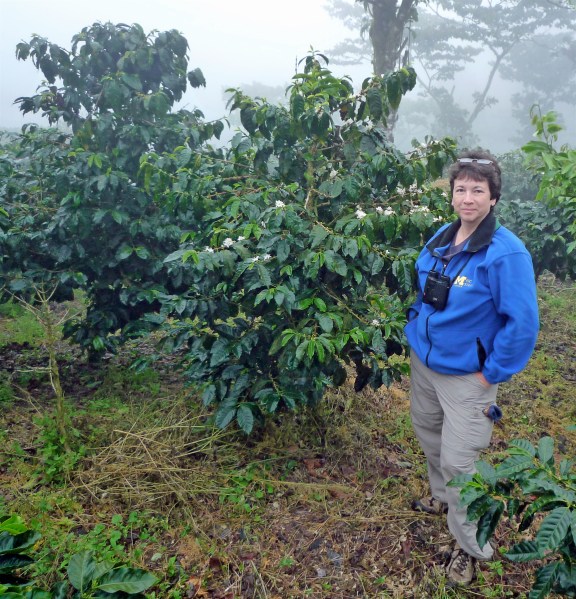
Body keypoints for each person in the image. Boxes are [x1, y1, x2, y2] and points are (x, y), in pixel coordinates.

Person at [404, 150, 539, 586]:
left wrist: (491, 372)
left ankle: (471, 547)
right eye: (460, 189)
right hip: (427, 365)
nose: (467, 198)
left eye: (477, 190)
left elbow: (523, 323)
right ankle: (440, 498)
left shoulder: (505, 253)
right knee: (428, 433)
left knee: (461, 462)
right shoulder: (442, 237)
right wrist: (414, 328)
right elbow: (423, 292)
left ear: (493, 197)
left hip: (468, 376)